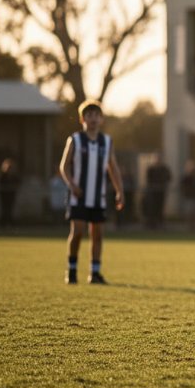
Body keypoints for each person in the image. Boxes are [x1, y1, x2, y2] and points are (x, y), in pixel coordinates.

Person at [59, 100, 124, 284]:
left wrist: (120, 191)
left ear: (101, 119)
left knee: (97, 234)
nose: (93, 119)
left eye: (96, 115)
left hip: (98, 197)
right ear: (82, 119)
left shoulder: (107, 142)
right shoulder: (75, 139)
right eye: (89, 115)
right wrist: (72, 185)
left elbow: (113, 168)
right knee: (78, 232)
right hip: (78, 196)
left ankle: (94, 273)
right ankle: (71, 270)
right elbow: (64, 166)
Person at [143, 153, 172, 230]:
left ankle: (160, 224)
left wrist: (162, 184)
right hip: (153, 192)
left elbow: (169, 177)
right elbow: (148, 179)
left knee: (160, 208)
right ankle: (151, 224)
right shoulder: (151, 169)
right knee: (152, 208)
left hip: (161, 192)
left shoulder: (164, 169)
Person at [0, 158, 20, 229]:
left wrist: (12, 187)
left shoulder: (14, 176)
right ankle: (3, 224)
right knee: (4, 209)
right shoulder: (2, 176)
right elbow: (1, 185)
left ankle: (10, 224)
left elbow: (18, 184)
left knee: (10, 209)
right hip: (4, 195)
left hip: (11, 195)